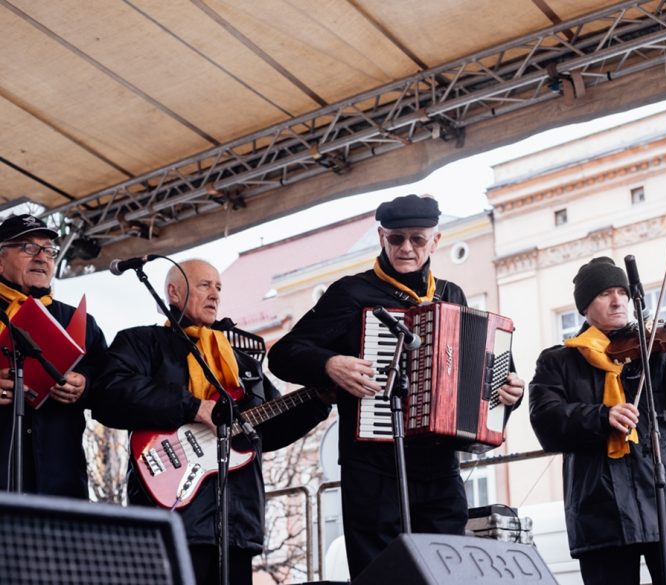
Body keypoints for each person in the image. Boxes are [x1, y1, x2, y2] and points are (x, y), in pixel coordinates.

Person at [267, 194, 525, 578]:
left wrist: (511, 393)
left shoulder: (449, 295)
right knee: (382, 575)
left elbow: (485, 373)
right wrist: (329, 363)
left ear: (434, 241)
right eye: (396, 238)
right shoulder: (351, 293)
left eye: (417, 239)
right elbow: (284, 354)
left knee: (447, 574)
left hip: (440, 470)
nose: (406, 247)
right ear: (381, 237)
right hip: (373, 468)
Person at [91, 259, 331, 585]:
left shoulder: (242, 364)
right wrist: (191, 406)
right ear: (173, 292)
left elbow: (266, 431)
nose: (215, 294)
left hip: (238, 522)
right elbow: (108, 392)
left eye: (219, 287)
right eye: (205, 285)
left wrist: (317, 402)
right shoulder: (141, 343)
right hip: (171, 515)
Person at [528, 256, 666, 585]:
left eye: (622, 292)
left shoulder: (655, 346)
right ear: (585, 307)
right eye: (605, 294)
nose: (618, 300)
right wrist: (603, 416)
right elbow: (545, 420)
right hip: (601, 508)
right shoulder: (559, 360)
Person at [0, 214, 107, 498]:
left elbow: (112, 386)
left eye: (48, 250)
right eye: (28, 247)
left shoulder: (80, 323)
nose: (41, 257)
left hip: (61, 484)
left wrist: (85, 383)